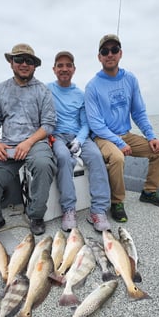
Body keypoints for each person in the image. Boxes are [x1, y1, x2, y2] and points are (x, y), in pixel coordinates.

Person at [85, 34, 159, 223]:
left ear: (120, 53)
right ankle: (117, 202)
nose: (110, 54)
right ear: (99, 57)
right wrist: (118, 142)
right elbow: (96, 124)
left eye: (114, 50)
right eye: (105, 51)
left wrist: (152, 137)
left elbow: (139, 112)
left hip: (126, 134)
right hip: (103, 137)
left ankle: (149, 192)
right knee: (116, 157)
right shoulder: (92, 86)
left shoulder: (130, 79)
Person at [0, 43, 57, 237]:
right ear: (11, 63)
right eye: (19, 59)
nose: (24, 64)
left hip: (35, 143)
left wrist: (28, 142)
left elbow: (48, 124)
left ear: (34, 66)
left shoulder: (43, 91)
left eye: (29, 61)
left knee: (44, 164)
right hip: (8, 144)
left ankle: (36, 215)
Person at [47, 51, 111, 232]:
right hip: (57, 136)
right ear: (54, 69)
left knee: (97, 157)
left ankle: (98, 211)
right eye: (60, 65)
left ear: (74, 69)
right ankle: (69, 209)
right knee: (63, 157)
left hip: (79, 136)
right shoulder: (46, 90)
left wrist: (79, 140)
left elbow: (85, 123)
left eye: (68, 65)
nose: (64, 69)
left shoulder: (81, 94)